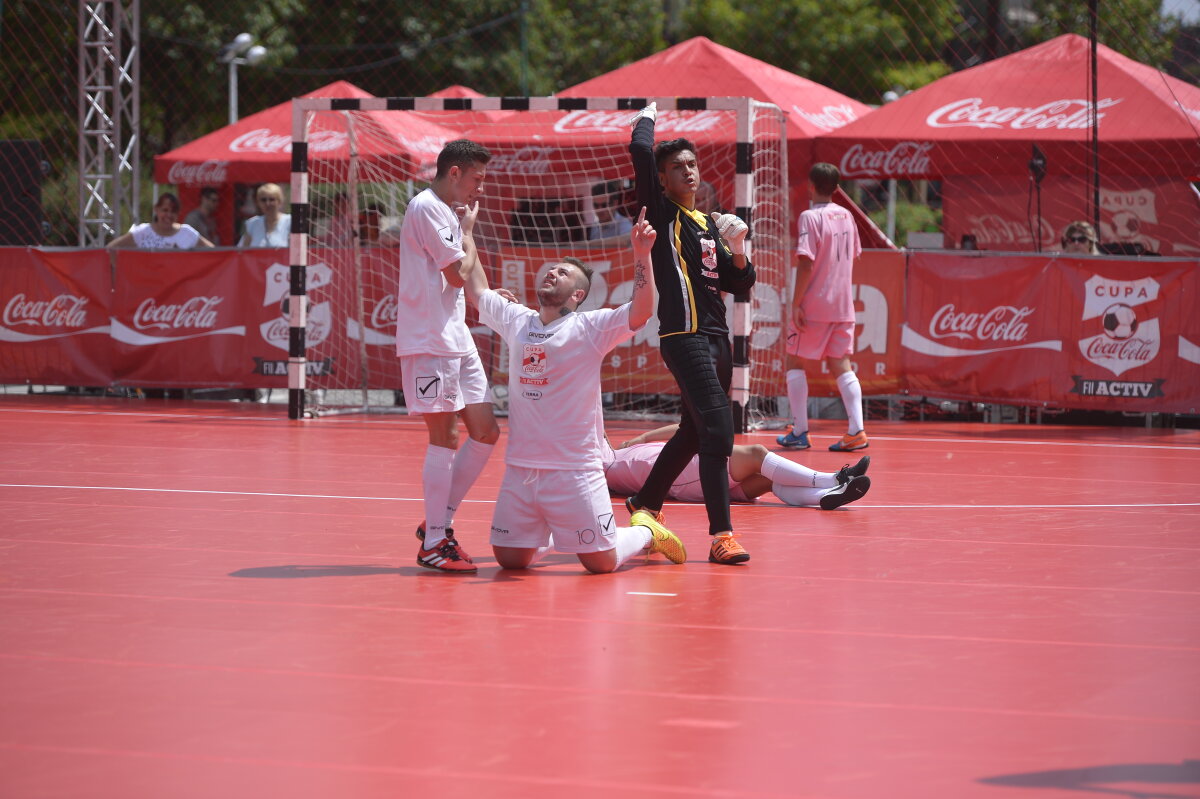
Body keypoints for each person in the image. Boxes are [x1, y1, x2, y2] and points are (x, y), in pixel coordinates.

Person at [461, 204, 686, 573]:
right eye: (552, 269)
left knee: (600, 563)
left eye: (563, 273)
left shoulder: (590, 328)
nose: (553, 272)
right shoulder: (517, 319)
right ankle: (550, 527)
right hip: (522, 467)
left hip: (574, 469)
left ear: (577, 295)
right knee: (510, 560)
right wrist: (468, 233)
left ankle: (645, 531)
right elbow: (478, 289)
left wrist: (642, 255)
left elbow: (641, 311)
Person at [624, 102, 757, 565]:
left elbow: (739, 284)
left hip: (718, 339)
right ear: (662, 179)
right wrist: (647, 119)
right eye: (676, 167)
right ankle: (721, 535)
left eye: (692, 165)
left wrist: (738, 248)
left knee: (692, 431)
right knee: (719, 430)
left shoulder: (708, 226)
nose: (688, 172)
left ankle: (645, 503)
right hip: (684, 336)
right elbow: (641, 152)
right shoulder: (660, 213)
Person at [396, 139, 500, 573]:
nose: (481, 188)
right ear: (454, 173)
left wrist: (492, 301)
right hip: (429, 340)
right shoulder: (428, 208)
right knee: (445, 436)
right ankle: (435, 542)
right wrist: (471, 233)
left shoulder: (449, 211)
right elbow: (457, 274)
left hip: (455, 337)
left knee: (486, 431)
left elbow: (466, 276)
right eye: (477, 179)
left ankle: (438, 520)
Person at [778, 162, 868, 454]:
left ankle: (800, 431)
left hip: (815, 305)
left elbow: (806, 261)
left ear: (811, 186)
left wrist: (796, 303)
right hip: (843, 306)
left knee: (794, 361)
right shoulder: (848, 216)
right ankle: (857, 431)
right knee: (841, 364)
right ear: (837, 188)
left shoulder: (809, 217)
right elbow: (853, 257)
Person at [605, 424, 871, 510]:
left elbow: (682, 429)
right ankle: (833, 478)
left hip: (687, 475)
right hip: (684, 475)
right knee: (755, 454)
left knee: (766, 479)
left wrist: (642, 437)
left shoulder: (623, 452)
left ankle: (825, 496)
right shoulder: (607, 465)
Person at [106, 193, 215, 250]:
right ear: (156, 210)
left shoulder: (187, 233)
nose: (168, 215)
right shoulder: (143, 232)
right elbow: (111, 248)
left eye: (173, 212)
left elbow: (214, 253)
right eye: (165, 210)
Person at [238, 183, 291, 247]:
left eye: (272, 199)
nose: (267, 203)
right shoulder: (252, 224)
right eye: (263, 200)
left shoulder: (290, 222)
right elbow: (241, 251)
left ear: (279, 201)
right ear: (258, 202)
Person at [587, 180, 633, 246]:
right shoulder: (595, 224)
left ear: (615, 203)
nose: (600, 210)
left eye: (604, 205)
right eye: (596, 205)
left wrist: (588, 244)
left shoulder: (623, 223)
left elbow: (626, 240)